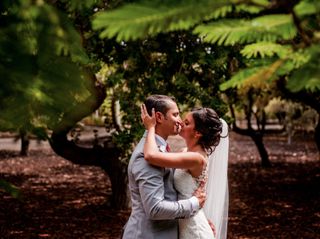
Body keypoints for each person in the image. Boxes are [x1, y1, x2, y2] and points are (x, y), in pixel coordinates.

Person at [122, 95, 206, 239]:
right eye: (175, 114)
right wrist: (194, 204)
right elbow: (155, 209)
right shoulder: (145, 155)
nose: (179, 120)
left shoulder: (160, 149)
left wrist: (198, 220)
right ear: (159, 117)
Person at [141, 104, 229, 239]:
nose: (181, 122)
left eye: (186, 123)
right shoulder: (185, 152)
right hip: (184, 222)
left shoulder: (196, 158)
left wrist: (150, 127)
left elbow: (150, 156)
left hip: (194, 230)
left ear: (197, 133)